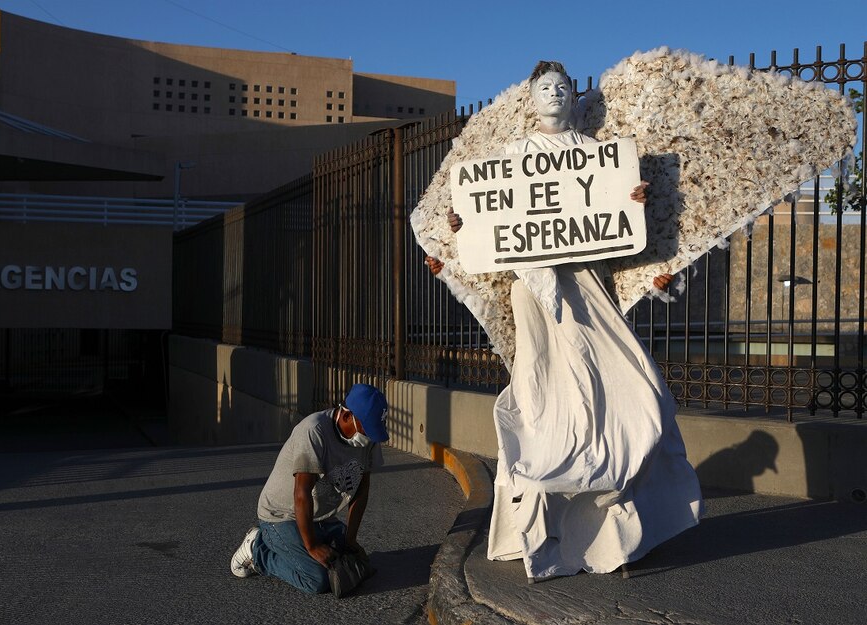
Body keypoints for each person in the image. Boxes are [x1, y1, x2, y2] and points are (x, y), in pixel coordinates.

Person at [427, 60, 702, 582]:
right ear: (531, 100)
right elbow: (490, 237)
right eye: (545, 88)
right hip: (534, 300)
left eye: (562, 87)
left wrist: (633, 205)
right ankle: (544, 529)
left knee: (634, 398)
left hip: (590, 292)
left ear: (575, 97)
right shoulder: (511, 159)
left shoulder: (601, 157)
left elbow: (625, 243)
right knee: (543, 405)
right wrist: (465, 226)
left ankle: (615, 533)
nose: (554, 93)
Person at [229, 383, 388, 594]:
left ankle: (307, 540)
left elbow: (362, 489)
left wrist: (350, 540)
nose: (370, 437)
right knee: (317, 579)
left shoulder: (369, 439)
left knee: (349, 563)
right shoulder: (313, 431)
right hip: (281, 515)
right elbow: (302, 493)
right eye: (367, 428)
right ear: (346, 415)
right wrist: (312, 546)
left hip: (317, 516)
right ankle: (258, 550)